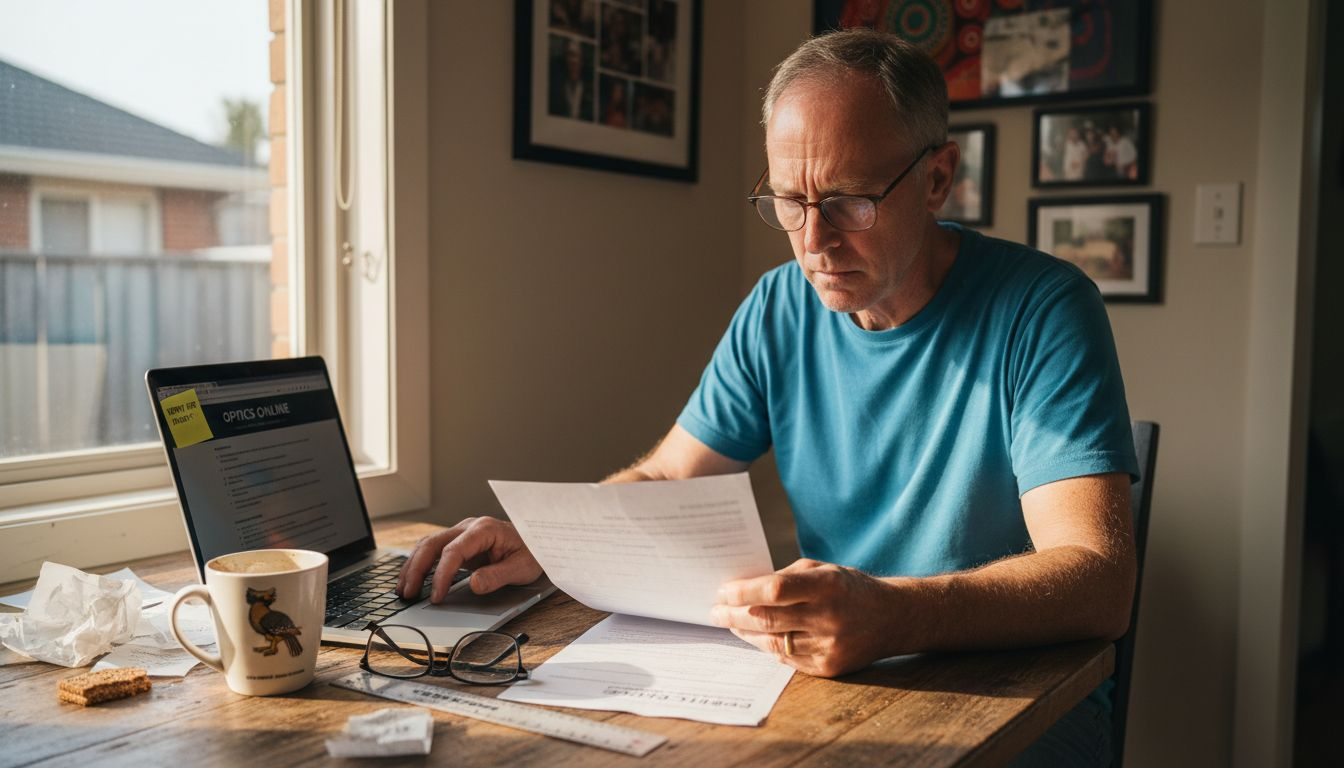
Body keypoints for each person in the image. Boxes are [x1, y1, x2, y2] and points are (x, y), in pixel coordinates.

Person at [401, 29, 1136, 766]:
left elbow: (1099, 579)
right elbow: (666, 478)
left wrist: (899, 616)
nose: (814, 240)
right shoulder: (780, 306)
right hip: (834, 689)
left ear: (938, 178)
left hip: (1020, 712)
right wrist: (549, 538)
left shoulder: (1043, 309)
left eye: (850, 201)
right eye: (789, 199)